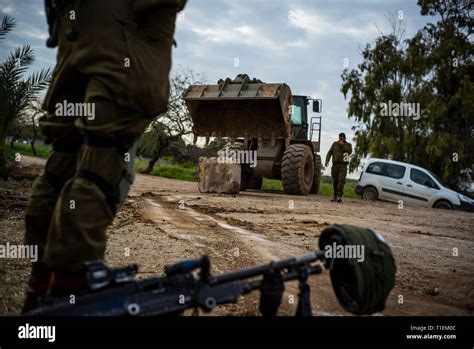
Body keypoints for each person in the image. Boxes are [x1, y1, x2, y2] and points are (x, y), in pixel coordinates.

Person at [21, 0, 186, 312]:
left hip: (77, 27)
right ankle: (72, 295)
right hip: (124, 32)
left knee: (65, 159)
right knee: (103, 159)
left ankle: (39, 296)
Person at [325, 133, 352, 202]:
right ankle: (335, 196)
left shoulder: (348, 145)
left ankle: (339, 196)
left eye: (342, 138)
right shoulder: (335, 144)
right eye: (340, 138)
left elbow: (349, 152)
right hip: (335, 165)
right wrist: (327, 160)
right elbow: (330, 152)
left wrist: (343, 145)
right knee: (335, 181)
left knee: (341, 180)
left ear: (344, 138)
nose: (340, 139)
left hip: (343, 165)